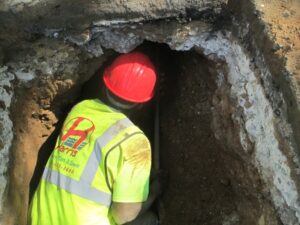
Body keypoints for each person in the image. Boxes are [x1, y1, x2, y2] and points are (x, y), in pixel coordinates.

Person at [29, 52, 162, 225]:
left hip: (39, 220)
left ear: (106, 84)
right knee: (149, 220)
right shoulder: (135, 143)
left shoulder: (80, 111)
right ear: (143, 102)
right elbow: (124, 217)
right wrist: (153, 192)